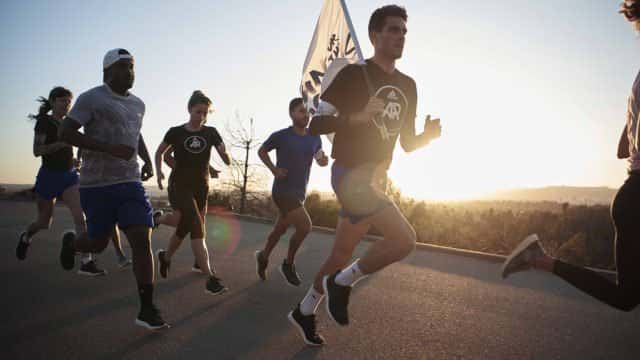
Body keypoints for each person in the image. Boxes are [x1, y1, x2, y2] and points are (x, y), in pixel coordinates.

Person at [287, 5, 442, 346]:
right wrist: (357, 117)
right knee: (404, 240)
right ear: (374, 35)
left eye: (403, 31)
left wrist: (427, 137)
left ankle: (305, 310)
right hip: (349, 175)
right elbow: (317, 124)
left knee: (340, 255)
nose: (400, 36)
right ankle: (342, 283)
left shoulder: (408, 85)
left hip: (376, 179)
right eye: (392, 29)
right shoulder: (352, 76)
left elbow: (406, 143)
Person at [502, 1, 640, 312]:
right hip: (637, 197)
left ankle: (539, 259)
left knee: (627, 296)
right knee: (626, 296)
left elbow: (624, 148)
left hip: (633, 194)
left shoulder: (636, 81)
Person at [58, 48, 167, 329]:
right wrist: (106, 148)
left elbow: (135, 132)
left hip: (129, 183)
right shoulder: (91, 98)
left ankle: (147, 308)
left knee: (142, 239)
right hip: (97, 184)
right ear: (107, 71)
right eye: (124, 67)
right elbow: (65, 132)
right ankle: (73, 242)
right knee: (98, 243)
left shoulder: (139, 104)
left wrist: (145, 158)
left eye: (132, 67)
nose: (130, 72)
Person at [16, 86, 106, 276]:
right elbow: (37, 151)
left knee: (80, 216)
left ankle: (85, 261)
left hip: (69, 176)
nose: (67, 104)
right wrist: (62, 143)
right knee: (43, 223)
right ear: (52, 102)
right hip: (48, 177)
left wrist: (76, 159)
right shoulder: (44, 122)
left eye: (69, 101)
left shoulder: (70, 123)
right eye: (63, 100)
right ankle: (26, 237)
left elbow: (81, 142)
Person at [154, 90, 231, 295]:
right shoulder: (176, 132)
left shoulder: (211, 132)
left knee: (186, 224)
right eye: (198, 112)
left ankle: (165, 253)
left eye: (205, 113)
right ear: (190, 109)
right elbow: (161, 152)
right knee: (196, 224)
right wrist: (160, 171)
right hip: (179, 186)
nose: (201, 116)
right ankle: (210, 277)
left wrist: (224, 155)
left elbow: (223, 155)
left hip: (201, 187)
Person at [255, 97, 328, 286]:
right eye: (301, 111)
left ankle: (263, 256)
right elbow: (262, 151)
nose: (306, 115)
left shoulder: (315, 137)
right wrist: (274, 169)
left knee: (280, 229)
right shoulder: (281, 135)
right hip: (283, 190)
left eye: (308, 112)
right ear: (292, 114)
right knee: (305, 226)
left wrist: (323, 161)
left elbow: (320, 157)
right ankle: (288, 263)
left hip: (299, 193)